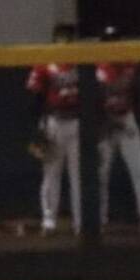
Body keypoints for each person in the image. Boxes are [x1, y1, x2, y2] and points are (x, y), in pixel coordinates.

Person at [96, 28, 140, 231]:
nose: (112, 45)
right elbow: (92, 101)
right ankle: (99, 219)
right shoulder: (95, 66)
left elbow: (138, 93)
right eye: (108, 41)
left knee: (138, 169)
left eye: (114, 40)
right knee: (101, 173)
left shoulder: (131, 64)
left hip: (126, 119)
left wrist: (133, 117)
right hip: (105, 123)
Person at [25, 23, 83, 235]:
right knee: (51, 174)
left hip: (76, 122)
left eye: (68, 37)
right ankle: (49, 221)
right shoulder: (45, 62)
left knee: (78, 176)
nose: (64, 41)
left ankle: (81, 223)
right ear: (55, 40)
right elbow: (34, 95)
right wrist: (39, 126)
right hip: (54, 122)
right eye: (61, 37)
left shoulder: (82, 60)